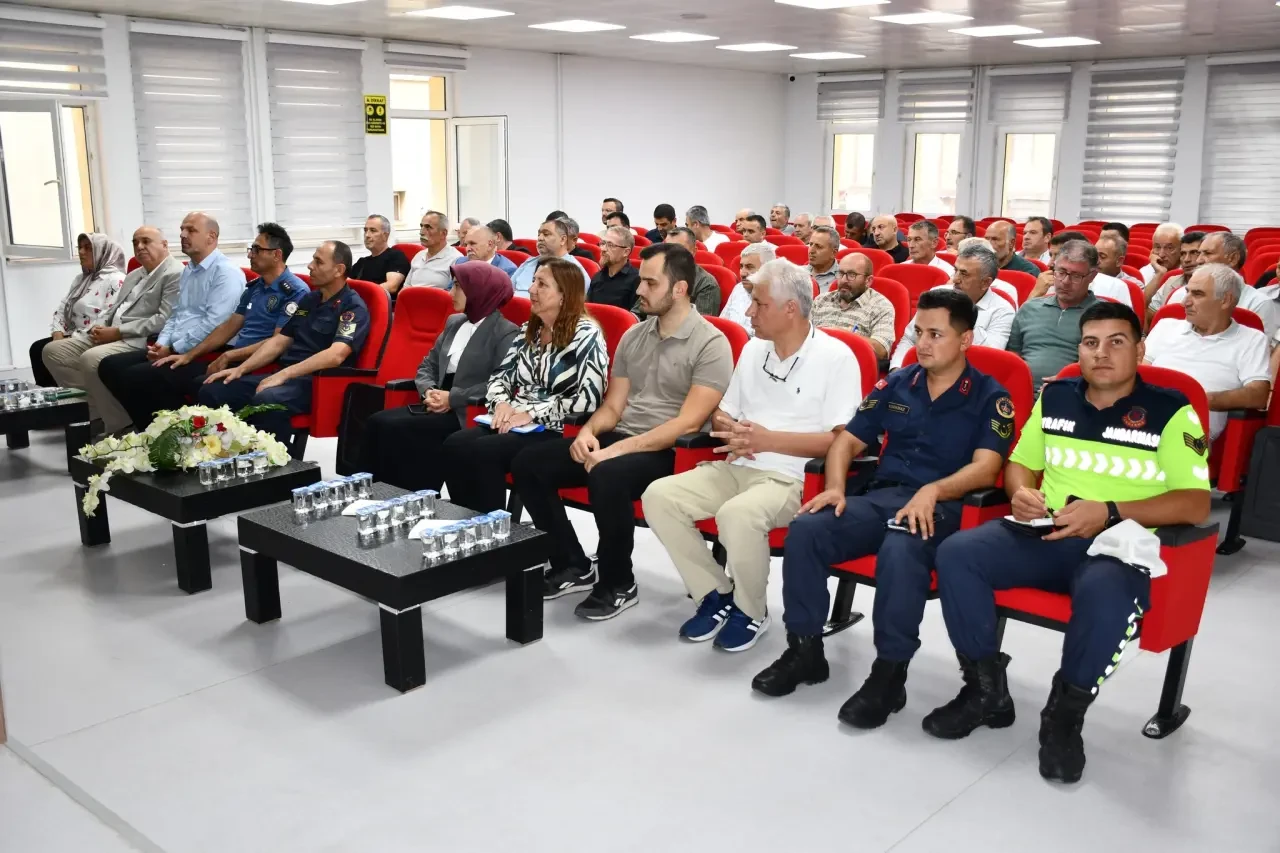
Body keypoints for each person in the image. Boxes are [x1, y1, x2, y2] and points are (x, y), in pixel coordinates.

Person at [926, 301, 1210, 784]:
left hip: (1116, 543)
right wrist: (1019, 492)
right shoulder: (1055, 396)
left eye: (1116, 342)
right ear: (1078, 348)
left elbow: (1195, 503)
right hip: (1044, 530)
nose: (1101, 354)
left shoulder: (1172, 411)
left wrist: (1112, 511)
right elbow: (1019, 461)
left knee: (1106, 595)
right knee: (957, 553)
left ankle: (1064, 717)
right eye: (1090, 342)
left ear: (1139, 350)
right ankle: (984, 690)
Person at [752, 288, 1015, 699]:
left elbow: (987, 468)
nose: (922, 344)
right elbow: (847, 442)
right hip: (883, 496)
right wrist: (837, 488)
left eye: (935, 335)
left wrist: (934, 490)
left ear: (965, 340)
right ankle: (804, 651)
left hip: (944, 508)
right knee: (808, 528)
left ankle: (889, 674)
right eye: (918, 332)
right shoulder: (899, 381)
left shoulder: (990, 396)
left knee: (900, 547)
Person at [642, 259, 862, 651]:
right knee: (659, 496)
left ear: (789, 309)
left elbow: (842, 440)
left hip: (793, 477)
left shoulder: (836, 357)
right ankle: (714, 593)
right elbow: (724, 411)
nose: (748, 312)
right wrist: (730, 427)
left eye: (758, 304)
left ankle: (751, 610)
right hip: (738, 462)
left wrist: (766, 440)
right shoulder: (753, 350)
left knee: (737, 515)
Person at [510, 243, 733, 619]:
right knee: (529, 462)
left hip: (673, 451)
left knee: (606, 475)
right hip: (625, 437)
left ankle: (618, 582)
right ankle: (571, 562)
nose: (639, 291)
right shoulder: (635, 335)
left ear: (679, 289)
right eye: (641, 281)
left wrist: (614, 451)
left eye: (650, 283)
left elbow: (689, 423)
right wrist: (589, 432)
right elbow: (613, 407)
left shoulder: (712, 344)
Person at [443, 259, 609, 512]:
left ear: (565, 295)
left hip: (554, 427)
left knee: (483, 452)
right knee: (454, 444)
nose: (531, 289)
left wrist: (531, 413)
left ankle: (494, 531)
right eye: (533, 281)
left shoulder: (586, 334)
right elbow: (501, 376)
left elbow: (589, 398)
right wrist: (501, 403)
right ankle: (467, 519)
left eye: (541, 284)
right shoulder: (529, 330)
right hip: (515, 421)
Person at [360, 263, 518, 491]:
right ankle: (370, 492)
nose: (450, 293)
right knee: (377, 422)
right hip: (435, 399)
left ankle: (409, 496)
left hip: (468, 409)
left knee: (400, 430)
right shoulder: (455, 322)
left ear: (479, 291)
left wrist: (451, 398)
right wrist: (428, 391)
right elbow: (427, 365)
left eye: (457, 287)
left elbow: (500, 383)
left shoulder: (506, 332)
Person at [198, 241, 369, 445]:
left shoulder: (352, 307)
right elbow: (281, 339)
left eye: (318, 261)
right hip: (284, 374)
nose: (310, 266)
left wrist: (284, 374)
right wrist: (240, 369)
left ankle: (274, 464)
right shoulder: (310, 300)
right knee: (214, 389)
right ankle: (225, 455)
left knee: (267, 399)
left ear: (338, 270)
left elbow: (336, 354)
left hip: (314, 383)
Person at [96, 212, 244, 431]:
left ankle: (177, 433)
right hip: (177, 346)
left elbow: (215, 323)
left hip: (208, 350)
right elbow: (176, 314)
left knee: (137, 376)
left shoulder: (226, 272)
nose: (183, 235)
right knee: (110, 366)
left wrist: (175, 347)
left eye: (191, 230)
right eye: (182, 229)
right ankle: (151, 429)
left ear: (211, 237)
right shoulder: (190, 270)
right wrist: (163, 344)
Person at [142, 222, 308, 405]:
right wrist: (188, 356)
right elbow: (229, 326)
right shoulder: (255, 287)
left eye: (257, 250)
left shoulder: (294, 292)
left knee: (204, 388)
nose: (250, 255)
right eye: (251, 249)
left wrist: (229, 356)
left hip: (265, 364)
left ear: (277, 255)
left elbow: (278, 342)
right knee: (166, 375)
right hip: (237, 357)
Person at [40, 227, 183, 434]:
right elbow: (115, 308)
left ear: (164, 244)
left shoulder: (174, 273)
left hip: (138, 338)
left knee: (90, 358)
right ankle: (95, 410)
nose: (140, 247)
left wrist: (118, 332)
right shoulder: (135, 274)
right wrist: (102, 327)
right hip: (113, 331)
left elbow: (163, 319)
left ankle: (119, 425)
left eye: (146, 241)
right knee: (53, 351)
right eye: (135, 242)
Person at [1143, 264, 1270, 439]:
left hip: (1189, 431)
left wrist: (1198, 399)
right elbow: (1138, 375)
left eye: (1197, 294)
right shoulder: (1166, 326)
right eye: (1187, 291)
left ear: (1225, 300)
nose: (1184, 301)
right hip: (1141, 417)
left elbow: (1258, 395)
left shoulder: (1251, 339)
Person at [891, 244, 1014, 368]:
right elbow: (909, 338)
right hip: (923, 372)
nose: (955, 279)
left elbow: (989, 358)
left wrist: (961, 311)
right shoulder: (937, 294)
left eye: (964, 274)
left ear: (985, 283)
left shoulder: (1002, 311)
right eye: (956, 271)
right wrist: (896, 368)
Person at [30, 233, 128, 389]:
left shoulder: (117, 280)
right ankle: (53, 402)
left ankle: (81, 400)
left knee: (47, 351)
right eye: (80, 247)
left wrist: (71, 338)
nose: (81, 252)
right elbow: (62, 308)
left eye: (88, 248)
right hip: (75, 334)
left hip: (94, 337)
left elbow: (107, 319)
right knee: (37, 349)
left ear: (103, 251)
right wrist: (58, 333)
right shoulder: (82, 279)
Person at [1007, 240, 1100, 391]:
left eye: (1076, 276)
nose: (1065, 282)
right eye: (1061, 272)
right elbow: (1012, 356)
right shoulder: (1030, 307)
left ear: (1092, 276)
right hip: (1020, 392)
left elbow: (1106, 368)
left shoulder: (1104, 316)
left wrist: (1070, 382)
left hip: (1075, 393)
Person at [810, 252, 895, 360]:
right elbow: (803, 334)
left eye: (852, 275)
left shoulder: (880, 306)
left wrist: (842, 335)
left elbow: (881, 350)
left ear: (868, 281)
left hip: (851, 365)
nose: (844, 280)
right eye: (840, 273)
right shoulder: (821, 300)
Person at [510, 217, 591, 294]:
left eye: (546, 234)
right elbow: (509, 291)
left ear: (562, 239)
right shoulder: (528, 263)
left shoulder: (574, 272)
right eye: (539, 234)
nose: (540, 238)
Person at [663, 228, 723, 317]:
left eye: (678, 249)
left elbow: (701, 325)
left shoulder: (706, 284)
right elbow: (638, 313)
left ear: (693, 252)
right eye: (667, 249)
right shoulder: (656, 275)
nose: (671, 254)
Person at [719, 242, 776, 336]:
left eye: (750, 267)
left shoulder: (781, 299)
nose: (742, 273)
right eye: (741, 267)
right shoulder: (738, 288)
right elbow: (722, 325)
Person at [404, 211, 464, 290]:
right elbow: (405, 290)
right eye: (421, 226)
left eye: (428, 227)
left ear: (443, 233)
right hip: (411, 300)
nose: (421, 232)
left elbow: (455, 296)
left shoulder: (455, 259)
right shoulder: (419, 256)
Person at [349, 214, 410, 291]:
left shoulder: (395, 257)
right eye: (365, 230)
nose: (367, 235)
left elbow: (391, 287)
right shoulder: (362, 262)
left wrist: (362, 291)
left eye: (373, 230)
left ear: (385, 235)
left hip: (380, 301)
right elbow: (345, 283)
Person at [587, 225, 640, 310]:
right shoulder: (597, 277)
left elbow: (635, 318)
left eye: (610, 245)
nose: (603, 249)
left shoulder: (637, 280)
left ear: (626, 252)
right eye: (603, 243)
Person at [805, 225, 840, 290]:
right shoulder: (797, 272)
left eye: (818, 246)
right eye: (811, 244)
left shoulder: (842, 279)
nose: (811, 251)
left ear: (833, 253)